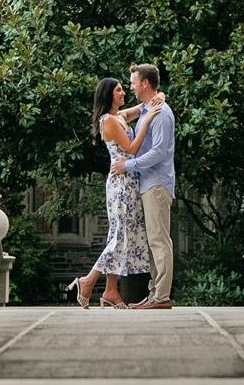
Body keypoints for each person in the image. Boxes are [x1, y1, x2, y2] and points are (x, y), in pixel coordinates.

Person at [70, 75, 163, 308]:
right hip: (120, 184)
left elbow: (141, 107)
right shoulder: (108, 121)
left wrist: (157, 98)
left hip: (130, 180)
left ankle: (111, 290)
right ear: (109, 94)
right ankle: (87, 281)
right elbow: (132, 147)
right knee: (119, 237)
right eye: (119, 90)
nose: (124, 93)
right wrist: (150, 118)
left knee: (119, 236)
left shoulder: (120, 116)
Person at [110, 63, 175, 308]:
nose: (131, 86)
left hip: (157, 183)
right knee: (153, 241)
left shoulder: (161, 113)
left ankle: (162, 297)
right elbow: (124, 114)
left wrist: (127, 165)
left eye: (134, 82)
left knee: (159, 240)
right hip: (147, 183)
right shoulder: (149, 107)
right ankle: (156, 293)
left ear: (145, 83)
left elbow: (158, 152)